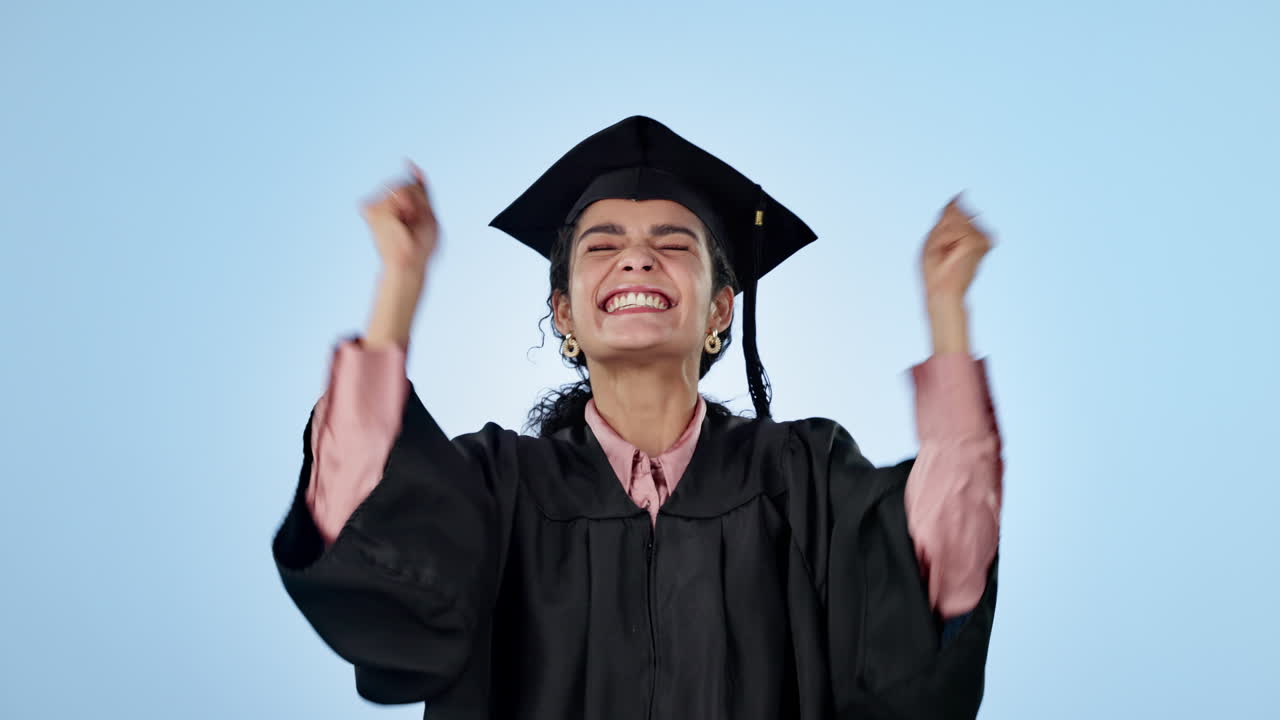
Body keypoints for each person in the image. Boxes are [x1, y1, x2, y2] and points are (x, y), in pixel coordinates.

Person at [273, 116, 1003, 720]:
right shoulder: (497, 488)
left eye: (673, 244)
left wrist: (946, 310)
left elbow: (939, 577)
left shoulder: (803, 476)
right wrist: (398, 285)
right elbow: (361, 517)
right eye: (604, 244)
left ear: (720, 308)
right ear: (566, 314)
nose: (638, 260)